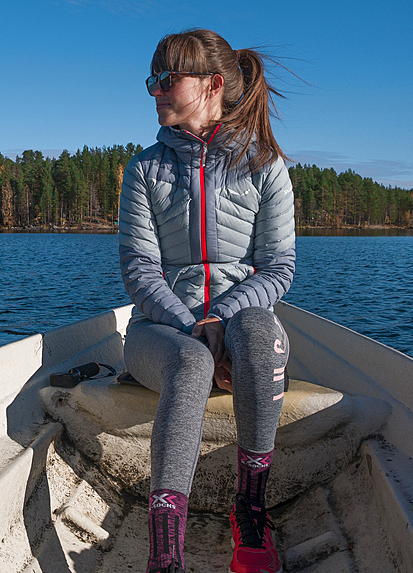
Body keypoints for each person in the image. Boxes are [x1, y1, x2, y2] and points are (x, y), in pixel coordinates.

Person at [118, 28, 295, 573]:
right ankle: (166, 554)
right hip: (164, 332)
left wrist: (221, 317)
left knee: (260, 332)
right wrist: (195, 327)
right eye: (151, 80)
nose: (154, 91)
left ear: (213, 85)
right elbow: (140, 272)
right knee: (193, 360)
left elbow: (279, 268)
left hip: (238, 326)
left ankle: (251, 511)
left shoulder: (266, 165)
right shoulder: (143, 170)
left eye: (166, 80)